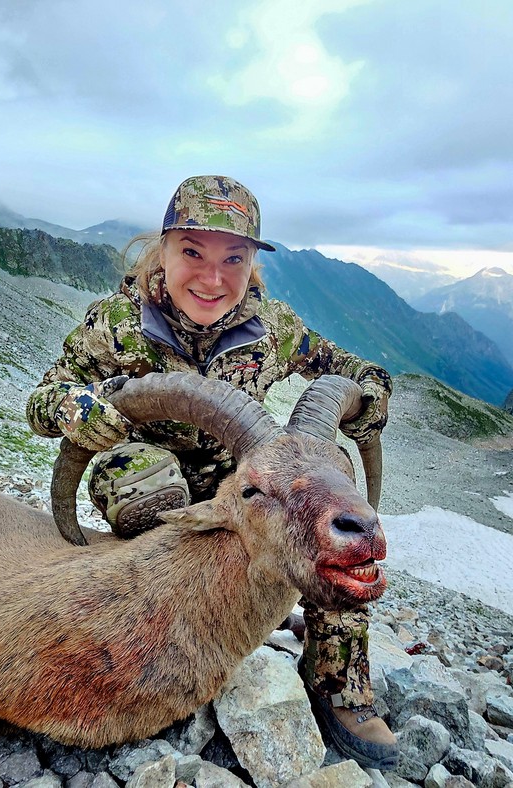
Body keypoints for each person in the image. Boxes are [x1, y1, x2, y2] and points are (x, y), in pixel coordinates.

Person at [25, 175, 397, 769]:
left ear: (252, 263)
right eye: (192, 252)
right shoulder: (117, 323)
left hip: (247, 487)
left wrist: (372, 391)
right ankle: (162, 626)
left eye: (234, 258)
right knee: (134, 474)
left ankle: (337, 678)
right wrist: (76, 410)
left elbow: (347, 367)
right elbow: (44, 399)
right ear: (163, 248)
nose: (212, 276)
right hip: (156, 481)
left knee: (324, 495)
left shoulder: (274, 328)